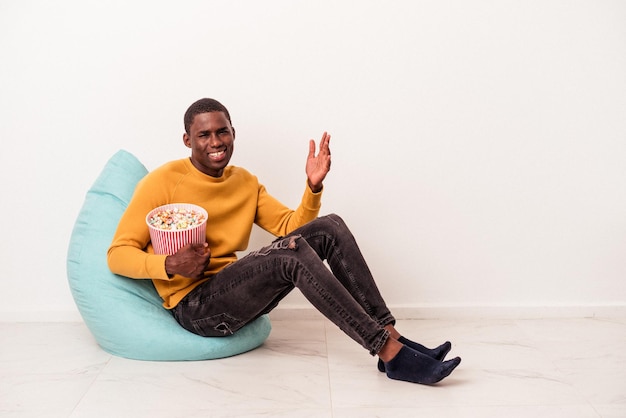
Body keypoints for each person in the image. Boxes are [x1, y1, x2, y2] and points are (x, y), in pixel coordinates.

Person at [107, 98, 461, 385]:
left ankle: (392, 336)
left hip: (231, 291)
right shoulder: (162, 182)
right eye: (204, 135)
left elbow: (291, 226)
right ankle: (387, 352)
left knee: (330, 226)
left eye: (222, 132)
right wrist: (169, 264)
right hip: (196, 308)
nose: (215, 142)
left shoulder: (244, 182)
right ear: (187, 140)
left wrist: (313, 186)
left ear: (233, 133)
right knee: (289, 256)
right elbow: (117, 255)